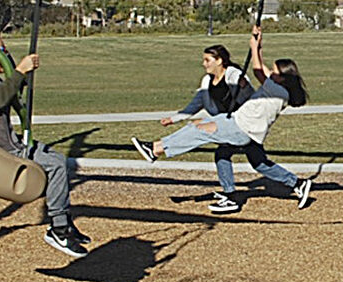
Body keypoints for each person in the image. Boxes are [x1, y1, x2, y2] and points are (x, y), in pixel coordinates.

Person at [133, 25, 312, 209]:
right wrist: (258, 45)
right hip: (239, 124)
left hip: (241, 128)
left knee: (198, 129)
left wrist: (253, 47)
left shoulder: (279, 90)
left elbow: (258, 70)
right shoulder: (278, 87)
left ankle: (155, 149)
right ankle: (294, 185)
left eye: (275, 72)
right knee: (250, 161)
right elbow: (263, 68)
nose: (271, 73)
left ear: (283, 77)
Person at [0, 23, 91, 258]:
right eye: (1, 51)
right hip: (2, 150)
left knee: (56, 158)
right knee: (55, 166)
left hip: (12, 143)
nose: (5, 55)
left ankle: (64, 220)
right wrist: (20, 71)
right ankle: (58, 228)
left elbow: (11, 89)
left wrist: (18, 70)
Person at [161, 43, 279, 215]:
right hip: (226, 126)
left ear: (219, 61)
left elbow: (249, 97)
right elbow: (196, 104)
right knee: (257, 162)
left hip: (242, 126)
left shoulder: (233, 75)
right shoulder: (207, 81)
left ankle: (231, 197)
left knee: (240, 158)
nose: (204, 64)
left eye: (207, 60)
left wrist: (243, 85)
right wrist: (173, 119)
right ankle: (296, 184)